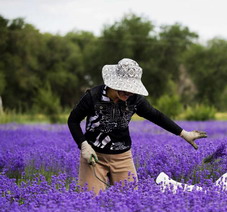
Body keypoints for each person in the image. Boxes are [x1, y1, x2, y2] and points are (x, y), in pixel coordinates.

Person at [68, 58, 207, 195]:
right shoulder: (93, 96)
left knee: (131, 200)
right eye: (124, 88)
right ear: (114, 83)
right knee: (89, 199)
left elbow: (156, 116)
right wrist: (84, 145)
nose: (128, 93)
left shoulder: (135, 99)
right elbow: (73, 120)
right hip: (94, 157)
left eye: (131, 89)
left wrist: (184, 133)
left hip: (122, 157)